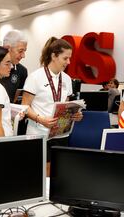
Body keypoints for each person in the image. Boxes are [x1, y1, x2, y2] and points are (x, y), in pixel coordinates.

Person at [21, 37, 83, 167]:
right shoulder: (35, 77)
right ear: (54, 56)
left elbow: (65, 106)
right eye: (65, 58)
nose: (69, 62)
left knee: (58, 172)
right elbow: (25, 106)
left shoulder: (67, 79)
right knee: (43, 173)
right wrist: (40, 119)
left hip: (60, 134)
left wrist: (74, 115)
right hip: (39, 133)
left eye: (69, 58)